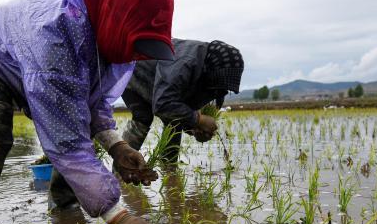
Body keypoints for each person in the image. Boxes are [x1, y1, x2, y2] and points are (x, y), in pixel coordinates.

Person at [0, 0, 174, 224]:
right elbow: (66, 140)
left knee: (73, 121)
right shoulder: (56, 41)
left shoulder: (100, 34)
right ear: (116, 19)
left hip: (24, 63)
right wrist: (119, 217)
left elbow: (91, 107)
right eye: (138, 46)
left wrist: (118, 146)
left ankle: (64, 208)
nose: (136, 56)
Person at [49, 38, 244, 208]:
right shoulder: (185, 63)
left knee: (159, 121)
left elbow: (180, 110)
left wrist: (194, 128)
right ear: (211, 70)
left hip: (153, 78)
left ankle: (157, 170)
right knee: (127, 118)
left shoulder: (209, 74)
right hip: (133, 73)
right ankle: (65, 199)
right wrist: (197, 119)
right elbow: (164, 104)